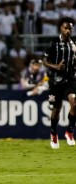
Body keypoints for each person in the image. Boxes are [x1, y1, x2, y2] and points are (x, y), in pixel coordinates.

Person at [42, 17, 76, 149]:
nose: (68, 31)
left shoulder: (73, 46)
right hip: (55, 80)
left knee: (75, 102)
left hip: (70, 79)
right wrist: (56, 67)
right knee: (56, 109)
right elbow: (44, 61)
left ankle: (69, 131)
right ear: (60, 29)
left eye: (70, 28)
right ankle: (54, 133)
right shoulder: (53, 43)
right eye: (65, 28)